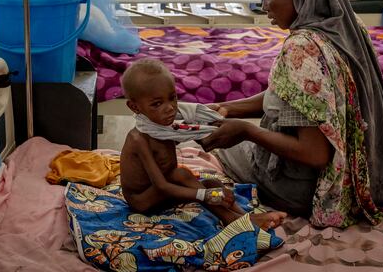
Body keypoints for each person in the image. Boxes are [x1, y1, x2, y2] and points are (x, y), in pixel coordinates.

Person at [199, 0, 383, 228]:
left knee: (220, 148)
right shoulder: (349, 27)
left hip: (306, 191)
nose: (264, 7)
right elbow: (294, 94)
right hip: (364, 177)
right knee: (218, 125)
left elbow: (315, 154)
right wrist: (227, 108)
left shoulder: (302, 47)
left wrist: (246, 131)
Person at [119, 58, 286, 230]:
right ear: (135, 107)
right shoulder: (139, 139)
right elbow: (162, 185)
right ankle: (232, 220)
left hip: (166, 189)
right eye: (157, 104)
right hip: (143, 199)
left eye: (172, 98)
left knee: (213, 184)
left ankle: (244, 216)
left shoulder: (163, 126)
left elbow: (191, 131)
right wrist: (204, 195)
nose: (170, 108)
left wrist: (207, 129)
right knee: (182, 175)